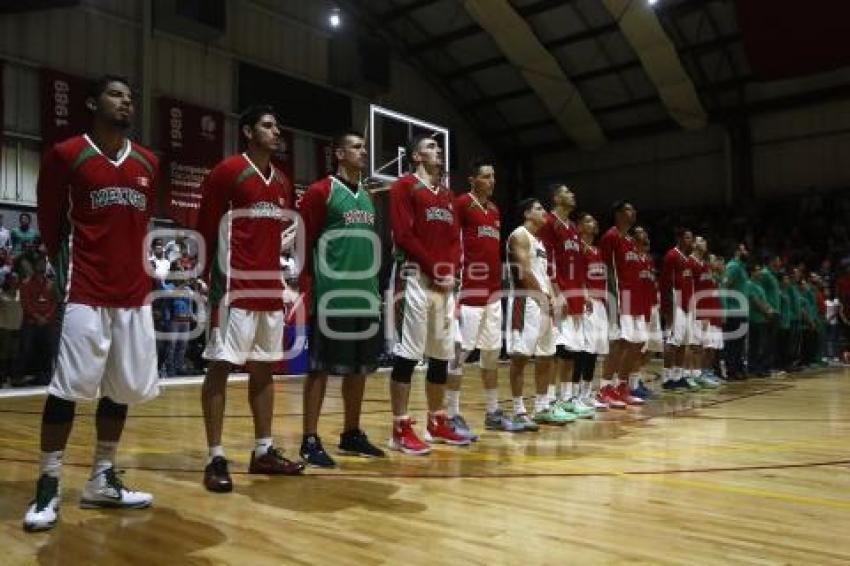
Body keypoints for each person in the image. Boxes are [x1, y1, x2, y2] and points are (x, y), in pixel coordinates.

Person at [24, 75, 160, 532]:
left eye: (130, 96)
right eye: (116, 94)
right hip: (84, 290)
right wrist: (64, 269)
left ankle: (102, 478)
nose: (126, 102)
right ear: (93, 102)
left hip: (133, 294)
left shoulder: (147, 161)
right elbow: (49, 221)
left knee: (119, 391)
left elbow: (140, 227)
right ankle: (48, 482)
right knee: (66, 389)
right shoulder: (67, 155)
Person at [197, 105, 305, 493]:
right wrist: (201, 272)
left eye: (277, 126)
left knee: (264, 370)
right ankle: (215, 457)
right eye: (267, 125)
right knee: (220, 367)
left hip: (269, 289)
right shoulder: (227, 171)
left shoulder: (283, 181)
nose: (276, 132)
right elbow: (206, 224)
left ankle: (263, 451)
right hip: (233, 289)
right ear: (247, 131)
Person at [298, 130, 386, 467]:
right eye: (356, 147)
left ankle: (351, 433)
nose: (363, 152)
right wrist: (307, 288)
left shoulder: (367, 196)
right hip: (331, 296)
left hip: (365, 296)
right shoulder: (321, 191)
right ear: (338, 153)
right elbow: (304, 242)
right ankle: (309, 438)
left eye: (364, 147)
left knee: (359, 370)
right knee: (319, 370)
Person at [387, 134, 468, 454]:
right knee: (408, 354)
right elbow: (404, 235)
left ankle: (437, 421)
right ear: (416, 156)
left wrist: (452, 273)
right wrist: (437, 271)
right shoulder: (403, 186)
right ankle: (399, 428)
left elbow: (454, 240)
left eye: (438, 147)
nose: (438, 152)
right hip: (415, 278)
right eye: (431, 147)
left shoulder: (448, 195)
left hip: (443, 283)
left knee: (441, 353)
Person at [447, 159, 506, 435]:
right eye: (486, 176)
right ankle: (451, 413)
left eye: (493, 176)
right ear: (472, 179)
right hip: (469, 288)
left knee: (491, 353)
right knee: (460, 353)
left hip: (493, 292)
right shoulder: (461, 204)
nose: (491, 181)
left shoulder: (494, 210)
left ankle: (493, 411)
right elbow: (451, 240)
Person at [538, 185, 593, 420]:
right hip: (559, 293)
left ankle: (568, 398)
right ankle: (550, 400)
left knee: (573, 351)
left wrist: (584, 291)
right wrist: (556, 291)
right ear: (556, 198)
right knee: (558, 351)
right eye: (567, 192)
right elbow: (547, 260)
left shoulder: (572, 228)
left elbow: (579, 264)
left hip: (576, 293)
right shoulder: (549, 223)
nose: (573, 195)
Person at [506, 198, 560, 429]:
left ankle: (541, 407)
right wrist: (542, 296)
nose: (544, 212)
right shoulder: (519, 235)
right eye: (539, 208)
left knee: (546, 355)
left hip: (543, 301)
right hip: (526, 299)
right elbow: (523, 272)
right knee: (521, 357)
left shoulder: (540, 242)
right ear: (527, 213)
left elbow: (543, 274)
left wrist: (552, 297)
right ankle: (518, 410)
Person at [598, 201, 646, 407]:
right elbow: (606, 270)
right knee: (619, 344)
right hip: (619, 298)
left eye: (633, 209)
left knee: (637, 343)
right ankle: (605, 388)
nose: (633, 212)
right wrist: (611, 300)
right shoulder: (610, 236)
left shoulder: (630, 240)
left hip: (635, 300)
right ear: (618, 214)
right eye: (628, 209)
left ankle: (622, 386)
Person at [577, 212, 609, 410]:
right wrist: (584, 295)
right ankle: (578, 394)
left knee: (595, 350)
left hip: (600, 303)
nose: (594, 222)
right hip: (585, 302)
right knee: (585, 350)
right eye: (588, 220)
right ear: (579, 226)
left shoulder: (598, 250)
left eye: (594, 219)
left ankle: (587, 393)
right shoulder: (579, 248)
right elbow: (576, 274)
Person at [660, 228, 698, 391]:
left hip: (688, 302)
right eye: (688, 238)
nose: (691, 241)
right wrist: (667, 308)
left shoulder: (688, 259)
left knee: (684, 341)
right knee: (672, 341)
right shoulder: (671, 255)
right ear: (680, 239)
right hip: (676, 300)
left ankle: (678, 376)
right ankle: (667, 377)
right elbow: (665, 284)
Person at [14, 256, 57, 386]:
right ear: (34, 266)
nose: (41, 266)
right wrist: (37, 317)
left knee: (47, 350)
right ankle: (18, 377)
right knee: (25, 350)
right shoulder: (26, 283)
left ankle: (44, 377)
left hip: (47, 322)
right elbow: (25, 304)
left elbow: (54, 303)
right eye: (39, 263)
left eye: (43, 263)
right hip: (31, 322)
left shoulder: (51, 284)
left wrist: (47, 317)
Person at [691, 236, 721, 387]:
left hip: (710, 313)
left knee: (706, 346)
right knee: (696, 346)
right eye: (701, 240)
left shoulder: (704, 267)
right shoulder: (691, 263)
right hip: (698, 311)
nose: (705, 243)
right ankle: (693, 373)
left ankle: (703, 372)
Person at [721, 244, 750, 380]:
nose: (746, 252)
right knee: (732, 343)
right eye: (744, 249)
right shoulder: (733, 267)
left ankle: (738, 369)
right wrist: (725, 311)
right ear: (737, 252)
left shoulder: (742, 267)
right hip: (734, 311)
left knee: (739, 343)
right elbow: (724, 287)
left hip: (742, 311)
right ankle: (731, 371)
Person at [0, 272, 22, 387]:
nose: (15, 281)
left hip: (17, 327)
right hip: (5, 328)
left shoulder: (19, 293)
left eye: (16, 279)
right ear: (7, 280)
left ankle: (14, 378)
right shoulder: (1, 294)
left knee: (15, 354)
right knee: (3, 354)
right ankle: (2, 378)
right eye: (13, 279)